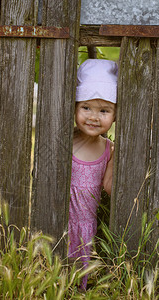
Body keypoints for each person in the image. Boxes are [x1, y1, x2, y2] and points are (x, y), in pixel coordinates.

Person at [68, 59, 118, 290]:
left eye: (104, 110)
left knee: (77, 277)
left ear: (115, 115)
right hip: (59, 220)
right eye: (86, 107)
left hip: (86, 226)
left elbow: (109, 187)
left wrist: (121, 156)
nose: (94, 117)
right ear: (75, 107)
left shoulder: (109, 150)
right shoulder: (66, 143)